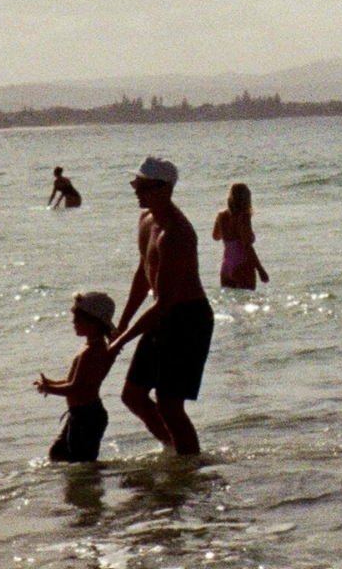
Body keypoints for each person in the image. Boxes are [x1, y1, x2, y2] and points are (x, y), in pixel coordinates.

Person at [109, 156, 212, 456]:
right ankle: (172, 449)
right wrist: (123, 322)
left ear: (164, 188)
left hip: (188, 318)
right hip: (161, 316)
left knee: (169, 404)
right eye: (135, 184)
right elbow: (144, 274)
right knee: (133, 395)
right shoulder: (146, 221)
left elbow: (165, 302)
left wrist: (119, 342)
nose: (136, 191)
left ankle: (190, 466)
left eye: (142, 185)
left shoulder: (177, 233)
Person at [35, 290, 119, 463]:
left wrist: (48, 388)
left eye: (78, 319)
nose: (73, 322)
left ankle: (91, 487)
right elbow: (74, 381)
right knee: (57, 453)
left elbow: (75, 388)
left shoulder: (91, 351)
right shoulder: (90, 346)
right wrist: (51, 382)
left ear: (95, 322)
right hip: (80, 413)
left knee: (81, 462)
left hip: (87, 415)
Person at [211, 182, 269, 291]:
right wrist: (260, 269)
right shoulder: (243, 217)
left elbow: (215, 236)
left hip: (226, 265)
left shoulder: (221, 216)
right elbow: (246, 245)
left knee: (230, 304)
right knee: (248, 302)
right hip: (242, 264)